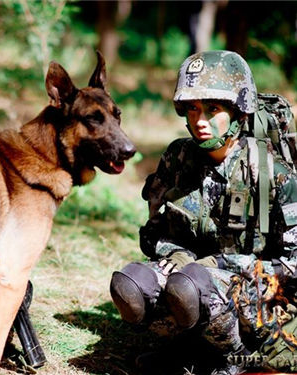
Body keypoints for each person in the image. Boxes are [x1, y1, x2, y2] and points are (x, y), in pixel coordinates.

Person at [110, 50, 297, 375]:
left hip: (260, 294)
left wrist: (220, 264)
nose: (200, 120)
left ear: (239, 111)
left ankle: (239, 360)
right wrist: (177, 255)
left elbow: (293, 265)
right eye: (193, 108)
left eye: (213, 109)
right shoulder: (178, 158)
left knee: (188, 285)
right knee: (131, 285)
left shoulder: (271, 172)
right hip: (194, 281)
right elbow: (155, 234)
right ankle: (186, 351)